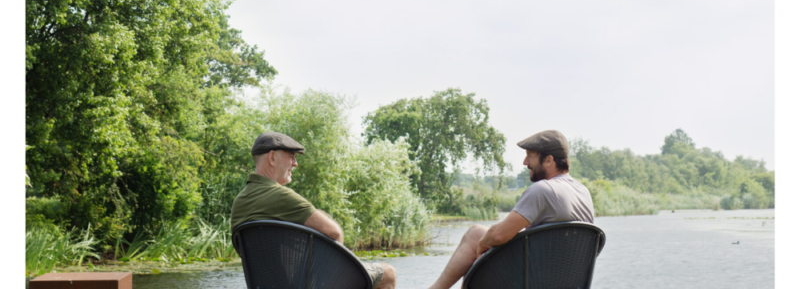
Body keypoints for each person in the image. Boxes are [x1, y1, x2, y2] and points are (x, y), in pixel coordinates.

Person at [426, 129, 594, 289]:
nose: (525, 162)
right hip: (566, 282)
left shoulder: (542, 190)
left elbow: (499, 235)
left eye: (530, 156)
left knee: (475, 234)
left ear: (549, 160)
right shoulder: (583, 192)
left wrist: (482, 245)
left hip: (530, 281)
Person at [231, 132, 396, 289]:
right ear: (272, 157)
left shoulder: (239, 203)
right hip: (306, 285)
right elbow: (335, 233)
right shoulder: (280, 196)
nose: (295, 163)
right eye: (291, 156)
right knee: (388, 273)